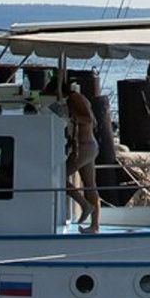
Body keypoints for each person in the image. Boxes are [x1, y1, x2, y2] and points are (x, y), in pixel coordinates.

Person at [65, 82, 102, 232]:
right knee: (90, 185)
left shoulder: (74, 99)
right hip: (90, 146)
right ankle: (94, 226)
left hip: (85, 146)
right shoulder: (81, 98)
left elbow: (87, 119)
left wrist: (72, 120)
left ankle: (85, 205)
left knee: (60, 177)